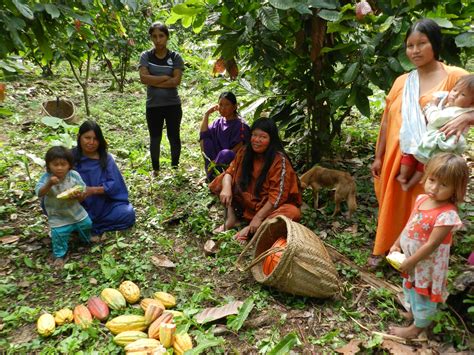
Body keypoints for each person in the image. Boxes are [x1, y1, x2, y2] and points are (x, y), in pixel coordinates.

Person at [369, 18, 473, 264]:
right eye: (410, 45)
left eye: (422, 43)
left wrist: (467, 116)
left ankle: (420, 256)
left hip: (434, 162)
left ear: (435, 44)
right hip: (398, 157)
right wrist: (379, 156)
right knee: (393, 203)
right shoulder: (402, 81)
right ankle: (387, 248)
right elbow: (387, 121)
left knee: (429, 205)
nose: (414, 50)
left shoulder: (456, 76)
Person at [388, 153, 468, 339]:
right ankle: (413, 313)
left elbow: (432, 244)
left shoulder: (447, 214)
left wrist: (411, 261)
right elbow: (409, 224)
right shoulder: (422, 199)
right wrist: (397, 243)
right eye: (432, 180)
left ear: (456, 189)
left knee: (422, 293)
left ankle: (418, 328)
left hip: (427, 265)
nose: (434, 188)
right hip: (411, 259)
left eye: (444, 185)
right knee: (409, 287)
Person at [209, 117, 302, 242]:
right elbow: (230, 172)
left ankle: (250, 229)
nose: (257, 140)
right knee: (223, 180)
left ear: (271, 140)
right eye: (254, 135)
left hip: (266, 207)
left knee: (292, 212)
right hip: (246, 200)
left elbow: (277, 197)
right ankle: (231, 218)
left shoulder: (280, 161)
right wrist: (226, 189)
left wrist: (258, 218)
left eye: (263, 137)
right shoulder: (245, 151)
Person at [399, 74, 474, 191]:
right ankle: (409, 185)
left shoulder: (455, 111)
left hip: (435, 144)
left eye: (463, 94)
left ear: (471, 103)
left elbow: (435, 119)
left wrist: (431, 107)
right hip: (442, 149)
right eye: (454, 90)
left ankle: (403, 177)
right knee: (425, 166)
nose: (455, 95)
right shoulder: (461, 108)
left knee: (411, 152)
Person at [72, 121, 135, 236]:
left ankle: (86, 227)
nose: (91, 142)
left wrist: (92, 190)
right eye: (87, 138)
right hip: (78, 206)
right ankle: (83, 226)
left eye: (95, 139)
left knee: (128, 213)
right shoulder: (70, 157)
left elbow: (114, 185)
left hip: (104, 206)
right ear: (79, 137)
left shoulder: (105, 158)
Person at [138, 22, 184, 173]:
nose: (158, 40)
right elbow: (143, 78)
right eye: (154, 36)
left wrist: (154, 80)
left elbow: (176, 81)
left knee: (174, 136)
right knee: (155, 138)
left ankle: (175, 168)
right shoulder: (146, 56)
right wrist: (165, 77)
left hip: (173, 105)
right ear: (151, 38)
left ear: (167, 37)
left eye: (161, 36)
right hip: (153, 105)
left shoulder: (175, 57)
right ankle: (156, 170)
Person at [36, 146, 92, 266]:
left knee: (86, 224)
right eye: (55, 164)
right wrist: (49, 184)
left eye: (63, 164)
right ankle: (60, 254)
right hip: (58, 215)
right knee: (59, 235)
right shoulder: (46, 178)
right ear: (48, 165)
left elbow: (83, 193)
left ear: (69, 165)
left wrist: (78, 195)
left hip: (75, 211)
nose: (60, 168)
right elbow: (39, 193)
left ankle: (86, 239)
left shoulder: (74, 175)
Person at [200, 92, 250, 180]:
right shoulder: (218, 122)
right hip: (216, 160)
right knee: (205, 140)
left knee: (225, 153)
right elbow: (203, 135)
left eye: (227, 105)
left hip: (231, 161)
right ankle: (211, 174)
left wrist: (218, 161)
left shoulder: (241, 125)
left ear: (235, 107)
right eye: (220, 105)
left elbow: (241, 147)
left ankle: (215, 176)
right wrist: (206, 114)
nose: (223, 108)